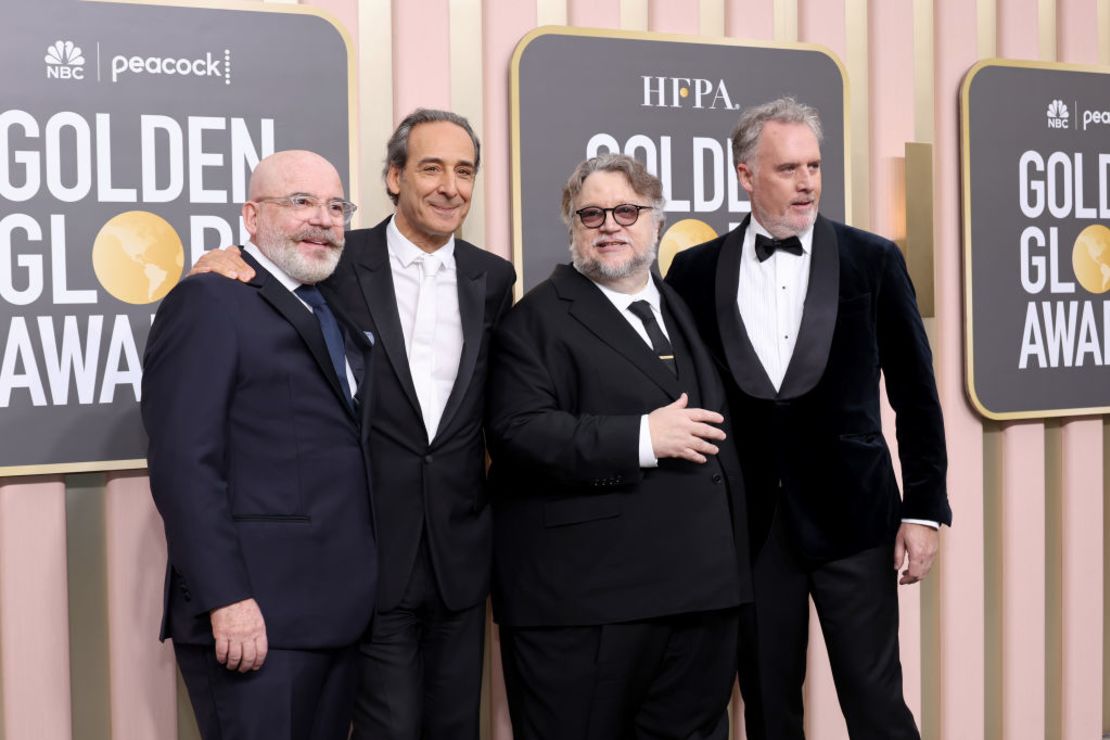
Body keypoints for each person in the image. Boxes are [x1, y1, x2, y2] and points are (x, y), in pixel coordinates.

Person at [190, 109, 516, 740]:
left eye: (465, 170)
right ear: (394, 177)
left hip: (460, 554)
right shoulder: (333, 254)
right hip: (365, 552)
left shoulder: (493, 276)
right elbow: (263, 278)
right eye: (431, 168)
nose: (451, 186)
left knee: (455, 727)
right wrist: (217, 260)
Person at [666, 97, 952, 739]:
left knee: (877, 705)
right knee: (768, 709)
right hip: (750, 530)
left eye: (814, 167)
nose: (806, 183)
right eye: (788, 168)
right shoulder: (693, 270)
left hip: (856, 521)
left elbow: (917, 394)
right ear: (745, 175)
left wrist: (924, 509)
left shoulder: (873, 259)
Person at [485, 153, 751, 740]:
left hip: (700, 601)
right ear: (573, 226)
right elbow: (518, 432)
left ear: (656, 219)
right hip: (585, 608)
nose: (610, 225)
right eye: (592, 214)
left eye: (627, 210)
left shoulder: (681, 306)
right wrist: (642, 438)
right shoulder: (535, 320)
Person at [143, 149, 377, 739]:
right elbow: (184, 465)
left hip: (335, 617)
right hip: (254, 619)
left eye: (335, 206)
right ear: (251, 217)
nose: (322, 219)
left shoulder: (333, 306)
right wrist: (227, 598)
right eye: (300, 202)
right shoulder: (209, 300)